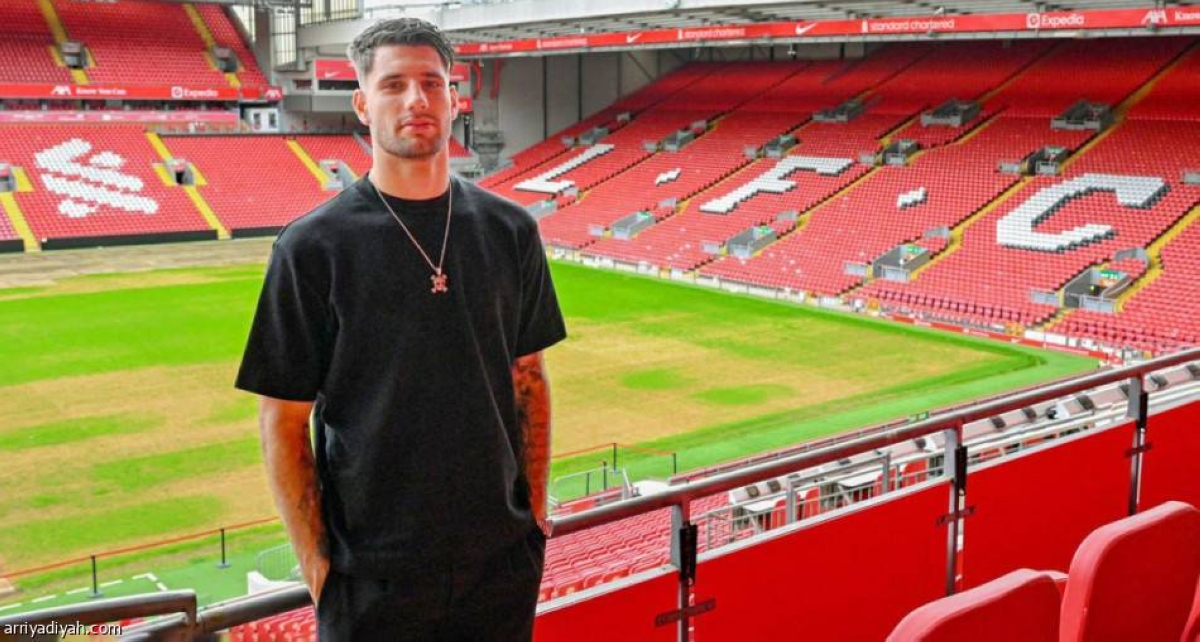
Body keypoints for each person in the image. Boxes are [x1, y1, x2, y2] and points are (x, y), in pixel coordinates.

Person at [235, 17, 566, 641]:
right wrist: (319, 570)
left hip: (499, 567)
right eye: (393, 85)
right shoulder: (311, 248)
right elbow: (282, 419)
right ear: (363, 105)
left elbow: (529, 379)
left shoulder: (511, 231)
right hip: (371, 580)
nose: (416, 99)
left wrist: (535, 515)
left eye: (431, 83)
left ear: (454, 99)